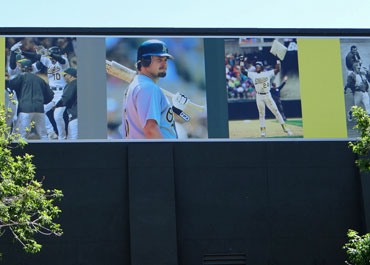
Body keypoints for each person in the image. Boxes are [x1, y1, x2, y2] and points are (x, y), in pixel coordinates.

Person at [123, 39, 188, 139]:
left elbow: (159, 123)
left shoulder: (138, 85)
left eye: (165, 60)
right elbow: (151, 130)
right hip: (153, 153)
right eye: (159, 60)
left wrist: (175, 111)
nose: (164, 64)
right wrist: (166, 153)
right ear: (145, 61)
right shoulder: (148, 88)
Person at [21, 45, 70, 140]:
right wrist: (22, 52)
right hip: (52, 93)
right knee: (41, 110)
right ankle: (51, 132)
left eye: (52, 56)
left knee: (58, 116)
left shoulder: (64, 61)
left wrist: (51, 53)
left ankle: (62, 138)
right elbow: (36, 57)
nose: (50, 58)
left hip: (62, 92)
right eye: (50, 57)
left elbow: (61, 59)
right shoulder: (49, 62)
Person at [5, 59, 54, 140]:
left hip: (25, 110)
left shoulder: (21, 76)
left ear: (22, 68)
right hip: (39, 109)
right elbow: (50, 95)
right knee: (44, 135)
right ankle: (47, 152)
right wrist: (42, 102)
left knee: (20, 136)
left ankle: (21, 153)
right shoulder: (40, 79)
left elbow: (10, 85)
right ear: (31, 68)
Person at [246, 61, 292, 137]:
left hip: (267, 95)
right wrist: (241, 62)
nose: (257, 67)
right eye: (256, 66)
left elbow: (277, 70)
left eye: (258, 66)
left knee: (276, 111)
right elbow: (243, 71)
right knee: (261, 114)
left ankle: (285, 128)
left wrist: (278, 62)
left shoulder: (267, 73)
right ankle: (263, 131)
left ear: (262, 67)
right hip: (259, 95)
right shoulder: (253, 74)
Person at [55, 68, 77, 140]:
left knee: (72, 142)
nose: (63, 77)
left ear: (71, 76)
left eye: (65, 75)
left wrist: (57, 105)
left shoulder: (72, 84)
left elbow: (65, 99)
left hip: (75, 118)